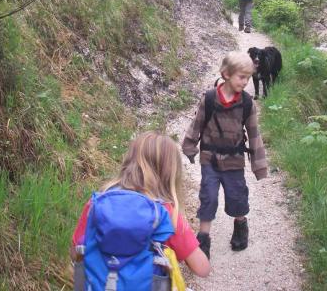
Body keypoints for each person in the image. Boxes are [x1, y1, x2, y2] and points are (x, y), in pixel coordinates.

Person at [71, 132, 210, 290]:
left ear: (129, 160)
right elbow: (202, 268)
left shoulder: (97, 203)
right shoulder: (165, 213)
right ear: (170, 172)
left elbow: (75, 252)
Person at [182, 51, 268, 258]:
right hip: (209, 158)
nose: (246, 82)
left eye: (248, 78)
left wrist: (259, 165)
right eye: (241, 77)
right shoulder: (209, 99)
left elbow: (254, 134)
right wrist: (189, 146)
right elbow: (197, 124)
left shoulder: (247, 103)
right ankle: (203, 239)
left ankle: (240, 225)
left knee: (236, 196)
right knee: (208, 197)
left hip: (234, 161)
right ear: (226, 74)